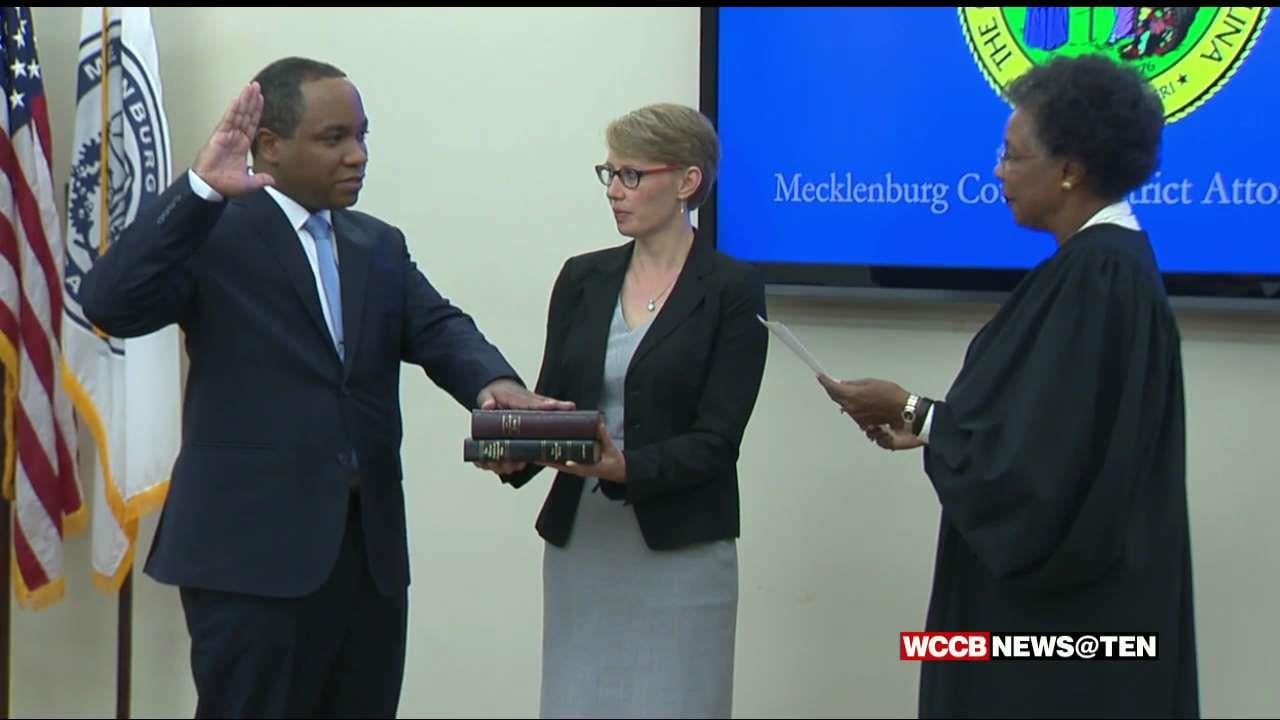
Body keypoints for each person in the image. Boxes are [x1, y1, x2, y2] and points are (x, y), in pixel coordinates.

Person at [82, 57, 569, 719]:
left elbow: (438, 326)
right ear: (270, 146)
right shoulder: (213, 232)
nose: (357, 154)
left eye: (362, 136)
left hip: (367, 559)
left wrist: (496, 385)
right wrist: (198, 190)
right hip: (250, 561)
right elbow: (110, 302)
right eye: (334, 138)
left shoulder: (377, 244)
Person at [818, 55, 1199, 718]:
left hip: (1063, 634)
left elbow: (1040, 469)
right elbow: (1046, 428)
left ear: (1069, 169)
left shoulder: (1098, 277)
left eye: (1012, 155)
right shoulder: (1099, 269)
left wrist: (915, 411)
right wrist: (931, 427)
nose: (998, 171)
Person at [478, 103, 769, 718]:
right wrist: (514, 449)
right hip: (584, 548)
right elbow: (554, 401)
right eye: (608, 173)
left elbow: (717, 441)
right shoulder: (582, 278)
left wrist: (625, 467)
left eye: (631, 175)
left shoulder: (731, 288)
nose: (614, 189)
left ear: (687, 181)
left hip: (681, 549)